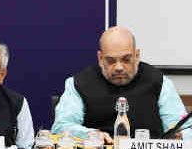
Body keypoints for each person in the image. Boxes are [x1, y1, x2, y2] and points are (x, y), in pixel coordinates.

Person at [52, 26, 189, 140]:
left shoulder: (159, 82)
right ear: (100, 59)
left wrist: (179, 136)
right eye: (111, 60)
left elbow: (185, 129)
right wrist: (91, 135)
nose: (119, 67)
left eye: (126, 59)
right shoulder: (79, 83)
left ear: (137, 56)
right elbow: (61, 127)